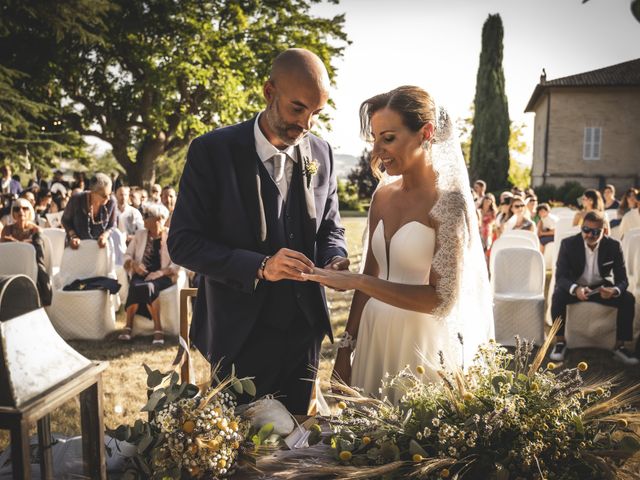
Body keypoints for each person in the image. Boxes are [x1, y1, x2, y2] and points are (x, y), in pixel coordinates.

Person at [167, 48, 349, 415]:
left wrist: (335, 256)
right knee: (243, 451)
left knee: (296, 443)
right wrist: (261, 266)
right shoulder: (212, 151)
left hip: (304, 331)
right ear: (269, 92)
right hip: (239, 333)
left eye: (316, 113)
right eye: (298, 109)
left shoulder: (322, 152)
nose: (307, 124)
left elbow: (331, 224)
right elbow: (183, 243)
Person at [304, 86, 494, 403]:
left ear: (426, 133)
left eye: (388, 138)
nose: (376, 151)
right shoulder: (382, 196)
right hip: (374, 337)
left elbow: (441, 300)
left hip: (421, 346)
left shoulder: (449, 203)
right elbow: (368, 276)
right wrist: (345, 348)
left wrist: (358, 280)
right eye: (375, 139)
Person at [549, 211, 637, 365]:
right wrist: (575, 288)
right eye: (586, 230)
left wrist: (614, 290)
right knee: (558, 295)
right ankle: (560, 342)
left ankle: (620, 346)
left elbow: (622, 279)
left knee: (628, 298)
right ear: (581, 228)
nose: (590, 234)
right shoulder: (568, 244)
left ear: (605, 231)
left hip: (601, 290)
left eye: (596, 231)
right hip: (576, 288)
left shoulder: (614, 246)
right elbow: (561, 277)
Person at [120, 204, 178, 345]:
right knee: (136, 285)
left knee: (149, 286)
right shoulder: (140, 234)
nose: (143, 219)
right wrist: (135, 265)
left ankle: (158, 329)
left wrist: (160, 273)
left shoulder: (171, 235)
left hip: (163, 275)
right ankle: (128, 326)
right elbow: (127, 255)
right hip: (142, 273)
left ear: (158, 219)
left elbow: (178, 262)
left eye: (147, 216)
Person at [0, 198, 52, 305]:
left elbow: (37, 251)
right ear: (13, 213)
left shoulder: (36, 230)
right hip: (10, 267)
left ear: (30, 211)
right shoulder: (6, 229)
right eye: (17, 209)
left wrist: (15, 242)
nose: (21, 212)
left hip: (30, 268)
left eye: (25, 208)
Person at [61, 173, 116, 249]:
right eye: (104, 195)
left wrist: (105, 236)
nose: (108, 198)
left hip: (99, 248)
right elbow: (65, 220)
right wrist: (73, 236)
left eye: (110, 194)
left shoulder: (111, 202)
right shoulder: (76, 199)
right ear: (93, 193)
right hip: (77, 247)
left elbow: (112, 225)